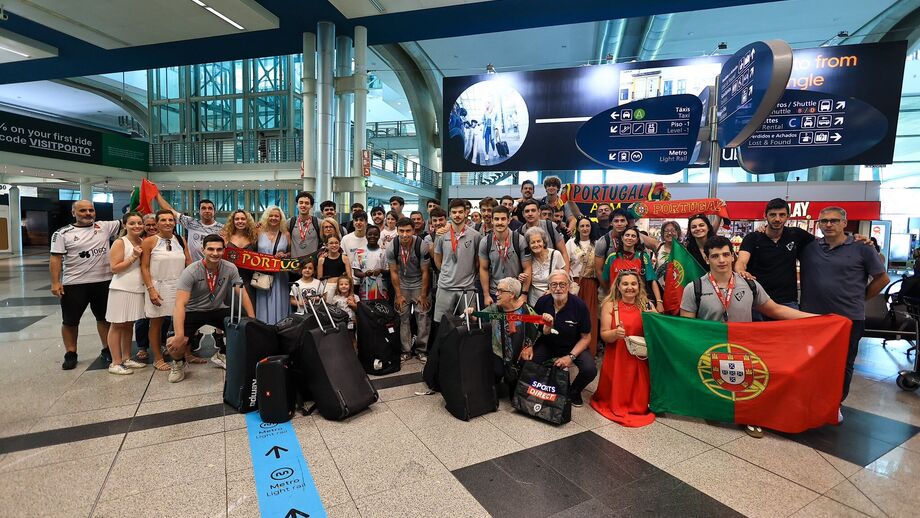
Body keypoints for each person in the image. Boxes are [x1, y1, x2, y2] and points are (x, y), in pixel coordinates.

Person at [681, 235, 816, 438]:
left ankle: (750, 417)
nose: (721, 260)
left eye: (726, 254)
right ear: (707, 259)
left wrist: (816, 319)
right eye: (715, 256)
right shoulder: (694, 288)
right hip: (711, 348)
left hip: (742, 348)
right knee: (715, 383)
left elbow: (776, 310)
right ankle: (714, 410)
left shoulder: (750, 284)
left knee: (746, 385)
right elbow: (687, 326)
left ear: (733, 256)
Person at [799, 207, 889, 406]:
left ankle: (834, 404)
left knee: (843, 364)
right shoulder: (809, 247)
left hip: (848, 318)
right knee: (811, 361)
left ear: (844, 223)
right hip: (812, 318)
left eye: (834, 220)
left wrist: (860, 297)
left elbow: (882, 279)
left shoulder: (863, 247)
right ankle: (811, 399)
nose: (828, 224)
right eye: (824, 221)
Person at [168, 235, 255, 383]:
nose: (215, 253)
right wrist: (179, 335)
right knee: (174, 343)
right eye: (211, 249)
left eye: (219, 249)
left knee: (243, 330)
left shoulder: (230, 268)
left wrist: (252, 319)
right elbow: (179, 304)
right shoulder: (191, 271)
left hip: (218, 309)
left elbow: (242, 292)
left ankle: (222, 353)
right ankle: (178, 363)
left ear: (224, 250)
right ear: (203, 250)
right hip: (193, 311)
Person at [50, 200, 122, 370]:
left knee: (104, 318)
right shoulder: (62, 233)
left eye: (91, 210)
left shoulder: (104, 227)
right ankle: (71, 353)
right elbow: (55, 258)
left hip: (103, 281)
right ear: (73, 212)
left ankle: (107, 349)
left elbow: (130, 218)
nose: (88, 213)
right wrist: (55, 282)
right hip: (74, 283)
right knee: (70, 321)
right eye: (83, 210)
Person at [591, 270, 657, 426]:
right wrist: (615, 333)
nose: (630, 287)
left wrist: (654, 317)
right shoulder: (610, 305)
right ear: (618, 287)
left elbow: (658, 333)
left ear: (639, 286)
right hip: (617, 359)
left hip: (639, 359)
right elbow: (605, 335)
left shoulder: (647, 305)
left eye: (634, 283)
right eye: (625, 284)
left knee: (639, 406)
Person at [735, 199, 815, 317]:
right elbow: (741, 262)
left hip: (787, 301)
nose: (777, 219)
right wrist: (742, 271)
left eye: (782, 215)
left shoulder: (796, 234)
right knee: (757, 335)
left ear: (788, 216)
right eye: (773, 215)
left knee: (790, 335)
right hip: (758, 301)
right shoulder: (753, 238)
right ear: (765, 216)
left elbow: (821, 243)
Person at [467, 277, 543, 397]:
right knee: (497, 372)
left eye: (500, 291)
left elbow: (539, 328)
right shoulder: (496, 308)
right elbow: (478, 318)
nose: (496, 294)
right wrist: (472, 312)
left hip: (519, 353)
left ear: (512, 294)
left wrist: (530, 347)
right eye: (497, 290)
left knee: (514, 387)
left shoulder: (526, 309)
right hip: (498, 351)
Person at [532, 271, 597, 407]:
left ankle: (574, 391)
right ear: (549, 287)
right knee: (529, 362)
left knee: (590, 369)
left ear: (569, 286)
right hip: (548, 343)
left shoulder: (579, 306)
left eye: (562, 284)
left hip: (573, 345)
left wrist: (570, 357)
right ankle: (540, 390)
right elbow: (536, 331)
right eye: (554, 284)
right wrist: (546, 328)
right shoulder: (542, 302)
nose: (558, 288)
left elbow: (586, 337)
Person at [431, 199, 482, 361]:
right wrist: (447, 273)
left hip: (467, 289)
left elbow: (477, 261)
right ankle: (440, 359)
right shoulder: (441, 235)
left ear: (466, 212)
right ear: (450, 214)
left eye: (461, 212)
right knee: (440, 325)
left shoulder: (475, 235)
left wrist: (467, 276)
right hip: (445, 287)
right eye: (454, 212)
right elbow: (437, 259)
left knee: (469, 325)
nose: (458, 215)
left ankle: (467, 359)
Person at [141, 210, 191, 372]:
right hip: (158, 285)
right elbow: (145, 267)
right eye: (163, 220)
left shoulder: (180, 240)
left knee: (182, 321)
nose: (168, 223)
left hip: (179, 285)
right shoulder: (149, 242)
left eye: (171, 220)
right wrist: (151, 289)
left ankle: (186, 354)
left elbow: (189, 263)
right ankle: (157, 358)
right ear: (156, 223)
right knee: (157, 322)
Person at [104, 213, 148, 375]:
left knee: (129, 324)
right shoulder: (120, 242)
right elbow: (114, 268)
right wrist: (133, 257)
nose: (137, 226)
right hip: (121, 288)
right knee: (117, 325)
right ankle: (115, 362)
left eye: (139, 223)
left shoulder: (142, 242)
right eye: (132, 223)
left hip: (136, 288)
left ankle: (127, 357)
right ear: (125, 225)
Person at [388, 217, 431, 361]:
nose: (405, 235)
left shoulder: (421, 245)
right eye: (401, 231)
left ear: (413, 230)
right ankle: (405, 350)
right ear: (397, 230)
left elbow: (426, 272)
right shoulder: (392, 246)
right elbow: (393, 272)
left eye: (408, 231)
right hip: (402, 284)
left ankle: (421, 350)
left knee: (422, 317)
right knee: (402, 317)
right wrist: (398, 295)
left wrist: (424, 294)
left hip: (419, 283)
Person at [479, 205, 532, 306]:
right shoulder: (485, 242)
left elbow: (528, 268)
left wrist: (524, 294)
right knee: (496, 322)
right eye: (496, 219)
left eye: (503, 219)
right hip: (495, 292)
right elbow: (483, 269)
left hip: (516, 293)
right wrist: (486, 295)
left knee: (516, 322)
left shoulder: (519, 240)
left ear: (509, 220)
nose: (499, 222)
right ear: (492, 221)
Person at [601, 227, 662, 310]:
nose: (630, 238)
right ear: (622, 238)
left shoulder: (643, 257)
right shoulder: (612, 258)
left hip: (639, 303)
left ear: (637, 240)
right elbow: (605, 281)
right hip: (617, 303)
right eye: (627, 235)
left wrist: (659, 302)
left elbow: (652, 280)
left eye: (633, 236)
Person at [253, 206, 291, 324]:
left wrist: (285, 255)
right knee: (263, 300)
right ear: (266, 217)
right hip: (263, 274)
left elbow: (291, 252)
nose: (273, 218)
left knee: (281, 300)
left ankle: (281, 328)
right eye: (271, 215)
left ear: (281, 218)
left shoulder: (286, 234)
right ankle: (264, 328)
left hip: (280, 275)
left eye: (276, 216)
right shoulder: (258, 232)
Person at [155, 194, 222, 262]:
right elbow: (170, 210)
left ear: (214, 211)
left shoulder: (222, 228)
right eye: (203, 208)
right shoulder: (191, 223)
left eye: (210, 208)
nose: (207, 211)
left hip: (214, 265)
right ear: (199, 211)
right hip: (194, 266)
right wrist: (156, 194)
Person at [566, 216, 599, 353]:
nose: (585, 228)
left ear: (591, 228)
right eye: (582, 226)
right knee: (573, 315)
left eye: (587, 226)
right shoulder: (570, 243)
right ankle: (572, 349)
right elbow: (566, 264)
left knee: (590, 315)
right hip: (574, 283)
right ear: (577, 228)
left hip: (591, 282)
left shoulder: (597, 244)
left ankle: (590, 350)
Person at [134, 212, 161, 362]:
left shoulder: (168, 240)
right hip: (142, 283)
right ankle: (142, 347)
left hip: (161, 282)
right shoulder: (138, 241)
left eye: (153, 224)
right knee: (143, 317)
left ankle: (162, 343)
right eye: (148, 225)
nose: (151, 227)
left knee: (163, 317)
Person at [516, 199, 570, 271]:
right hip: (532, 274)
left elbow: (564, 253)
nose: (530, 213)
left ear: (539, 212)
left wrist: (565, 275)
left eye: (533, 210)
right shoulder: (518, 233)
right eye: (527, 211)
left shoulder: (551, 226)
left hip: (553, 274)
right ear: (523, 214)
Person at [221, 210, 259, 302]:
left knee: (249, 309)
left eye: (243, 219)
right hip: (229, 280)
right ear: (233, 221)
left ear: (247, 221)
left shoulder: (254, 237)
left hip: (249, 281)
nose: (240, 221)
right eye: (237, 219)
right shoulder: (225, 237)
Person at [526, 226, 566, 306]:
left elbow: (564, 277)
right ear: (528, 245)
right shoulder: (527, 258)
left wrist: (552, 290)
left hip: (553, 300)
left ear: (544, 242)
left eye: (538, 241)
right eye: (532, 242)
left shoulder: (555, 254)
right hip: (533, 303)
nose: (536, 245)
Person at [352, 226, 388, 301]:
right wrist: (365, 274)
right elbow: (356, 272)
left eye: (375, 234)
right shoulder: (360, 251)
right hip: (365, 288)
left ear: (379, 236)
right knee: (366, 309)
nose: (372, 236)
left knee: (380, 309)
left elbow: (389, 271)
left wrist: (381, 270)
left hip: (380, 287)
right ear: (366, 235)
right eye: (370, 234)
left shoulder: (384, 252)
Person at [288, 192, 321, 268]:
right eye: (301, 203)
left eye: (307, 203)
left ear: (311, 206)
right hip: (294, 265)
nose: (303, 205)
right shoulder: (290, 222)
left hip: (312, 266)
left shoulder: (318, 223)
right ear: (297, 205)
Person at [328, 275, 359, 348]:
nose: (344, 286)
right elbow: (333, 311)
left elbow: (360, 310)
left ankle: (354, 355)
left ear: (350, 286)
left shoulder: (355, 297)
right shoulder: (335, 298)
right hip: (340, 323)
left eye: (346, 284)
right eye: (341, 284)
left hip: (352, 322)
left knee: (352, 339)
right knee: (341, 340)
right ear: (338, 286)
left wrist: (353, 305)